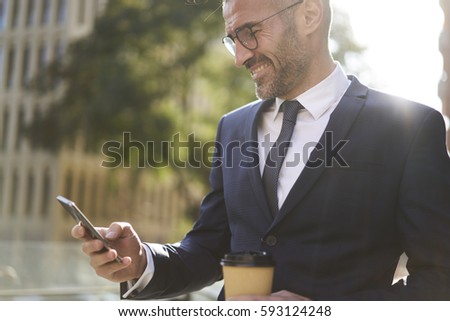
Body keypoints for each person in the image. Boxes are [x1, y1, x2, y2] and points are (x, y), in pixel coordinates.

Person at [72, 0, 450, 300]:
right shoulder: (233, 127)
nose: (239, 57)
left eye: (250, 32)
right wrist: (142, 260)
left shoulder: (409, 129)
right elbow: (210, 246)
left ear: (309, 14)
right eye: (232, 39)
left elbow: (439, 280)